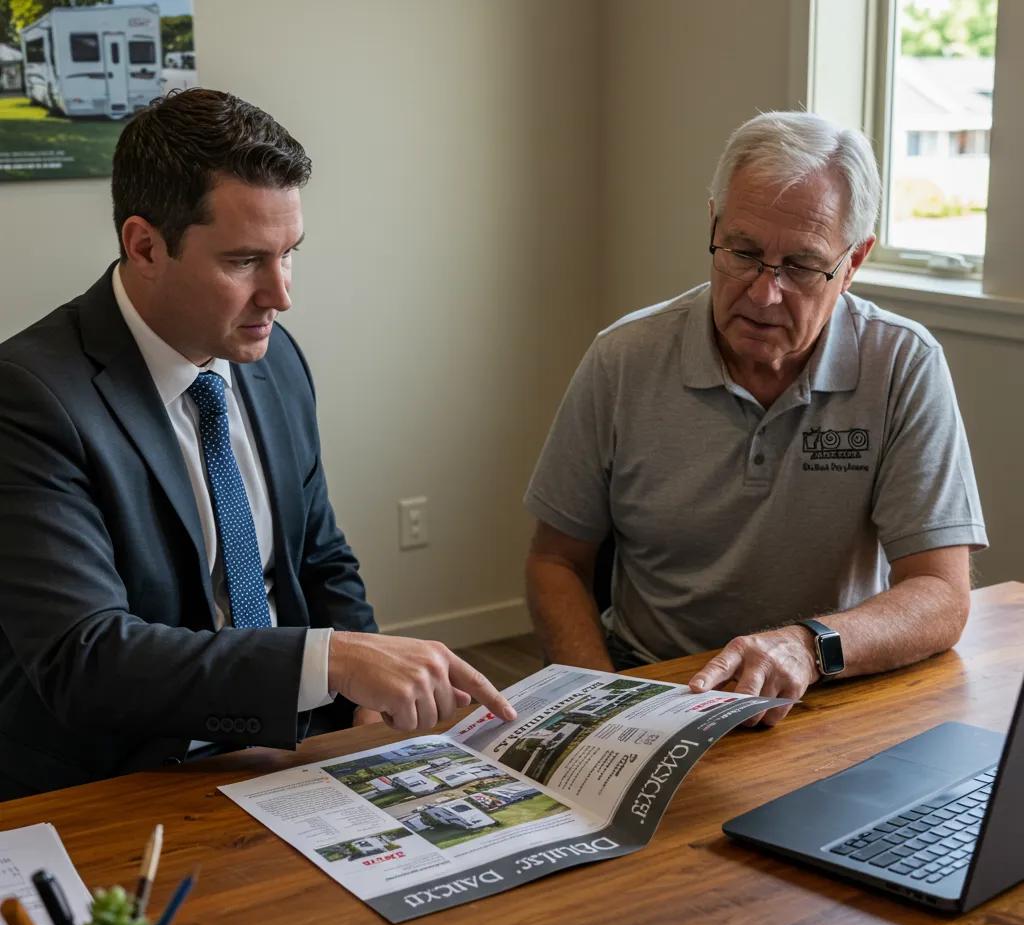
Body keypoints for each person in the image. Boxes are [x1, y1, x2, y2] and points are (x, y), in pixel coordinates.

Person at [0, 89, 514, 799]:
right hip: (122, 779)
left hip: (290, 748)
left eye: (290, 254)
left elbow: (319, 556)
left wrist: (370, 694)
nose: (280, 294)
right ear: (145, 246)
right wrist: (328, 660)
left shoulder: (275, 361)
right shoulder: (30, 396)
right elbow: (86, 661)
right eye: (245, 261)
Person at [524, 110, 987, 727]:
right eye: (742, 252)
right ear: (714, 225)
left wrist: (809, 645)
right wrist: (603, 705)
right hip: (657, 683)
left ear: (854, 262)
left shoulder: (901, 362)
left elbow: (941, 595)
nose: (764, 293)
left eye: (801, 266)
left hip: (833, 683)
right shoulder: (624, 358)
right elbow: (555, 561)